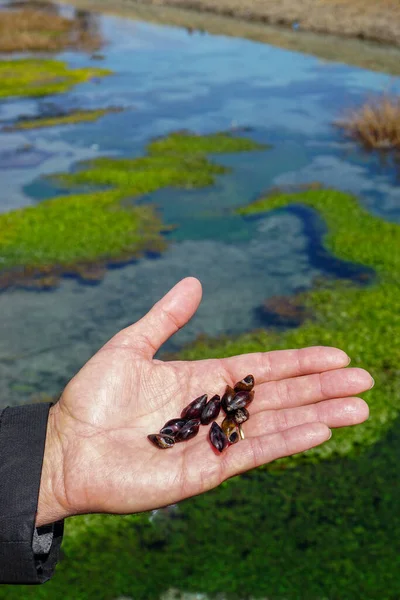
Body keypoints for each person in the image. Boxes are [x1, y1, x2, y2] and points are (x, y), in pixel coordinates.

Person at [0, 278, 373, 585]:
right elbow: (205, 417)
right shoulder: (208, 416)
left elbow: (211, 415)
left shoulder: (219, 412)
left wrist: (49, 461)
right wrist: (52, 463)